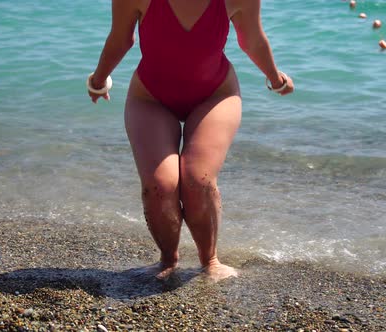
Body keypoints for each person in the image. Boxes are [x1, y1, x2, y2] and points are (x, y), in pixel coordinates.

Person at [87, 0, 294, 282]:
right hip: (151, 97)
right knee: (160, 186)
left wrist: (274, 77)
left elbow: (252, 39)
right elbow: (120, 39)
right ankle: (167, 259)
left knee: (199, 179)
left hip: (215, 94)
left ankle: (210, 260)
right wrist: (98, 80)